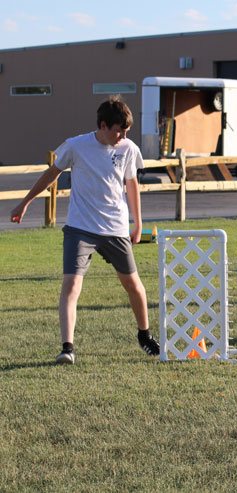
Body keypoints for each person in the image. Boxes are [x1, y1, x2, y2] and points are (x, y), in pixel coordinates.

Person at [10, 95, 160, 364]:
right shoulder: (76, 146)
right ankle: (67, 348)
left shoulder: (128, 148)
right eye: (119, 131)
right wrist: (25, 203)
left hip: (115, 228)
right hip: (80, 228)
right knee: (71, 285)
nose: (123, 136)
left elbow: (131, 185)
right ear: (103, 125)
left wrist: (138, 223)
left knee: (133, 284)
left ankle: (145, 335)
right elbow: (51, 174)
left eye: (127, 131)